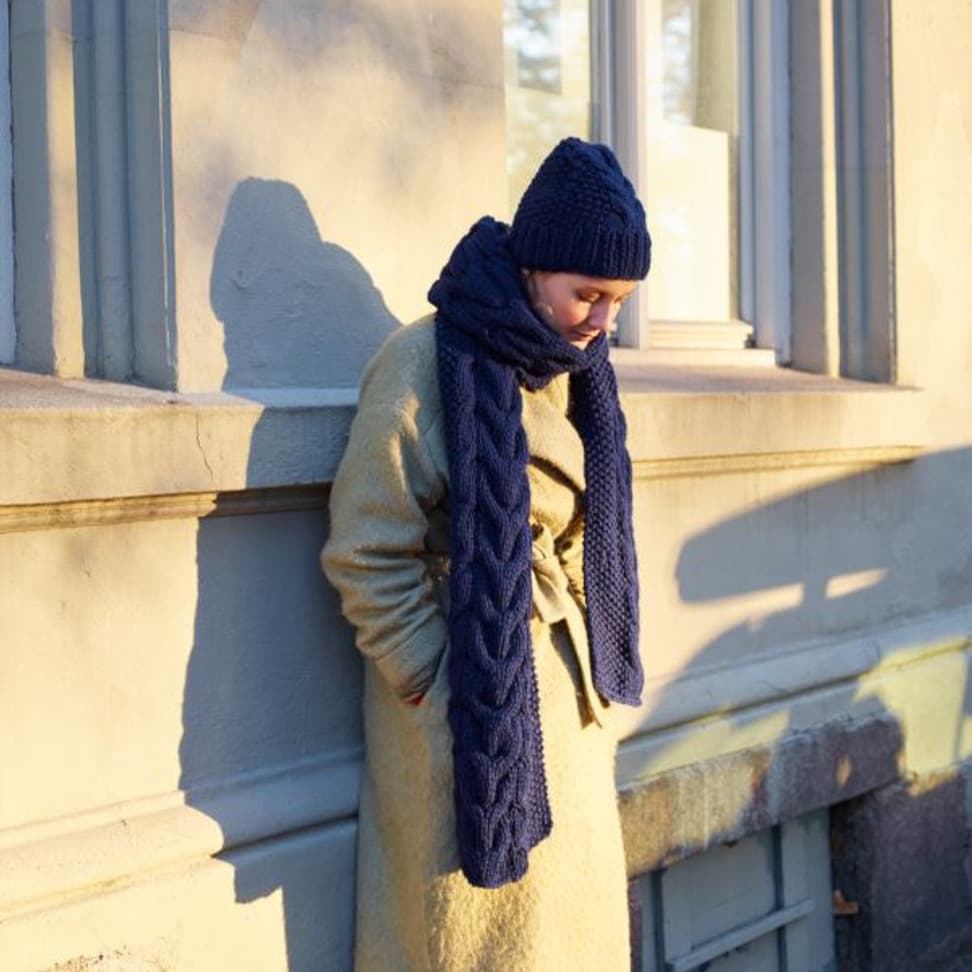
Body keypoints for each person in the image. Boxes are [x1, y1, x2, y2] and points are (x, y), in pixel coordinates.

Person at [322, 137, 651, 971]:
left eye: (618, 301)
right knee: (478, 944)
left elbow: (586, 531)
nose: (603, 321)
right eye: (587, 294)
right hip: (470, 708)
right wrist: (432, 679)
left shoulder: (579, 371)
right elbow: (366, 549)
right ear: (534, 267)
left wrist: (590, 646)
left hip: (566, 706)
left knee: (569, 937)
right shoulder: (425, 363)